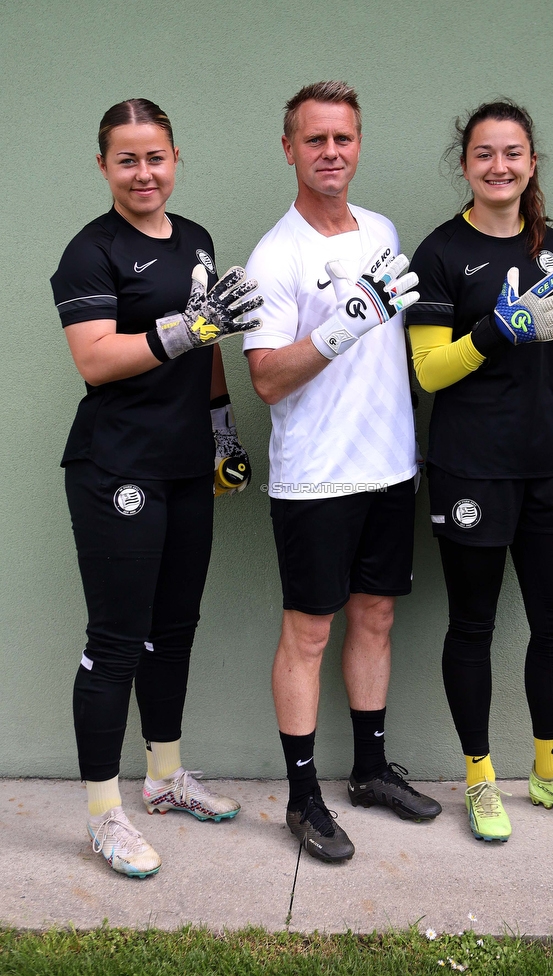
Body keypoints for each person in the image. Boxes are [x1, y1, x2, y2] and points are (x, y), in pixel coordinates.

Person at [50, 98, 263, 878]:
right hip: (117, 469)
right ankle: (104, 814)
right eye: (128, 159)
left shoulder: (198, 239)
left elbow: (208, 351)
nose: (145, 173)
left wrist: (222, 432)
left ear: (176, 159)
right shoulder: (90, 253)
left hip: (183, 466)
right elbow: (96, 359)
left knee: (173, 627)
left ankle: (165, 776)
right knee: (115, 641)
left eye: (157, 157)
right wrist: (185, 328)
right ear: (104, 165)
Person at [406, 99, 553, 843]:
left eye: (513, 153)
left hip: (551, 469)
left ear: (531, 162)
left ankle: (551, 773)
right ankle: (479, 781)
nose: (499, 166)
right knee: (472, 624)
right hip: (472, 468)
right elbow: (430, 371)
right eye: (484, 154)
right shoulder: (438, 253)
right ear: (465, 164)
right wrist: (497, 331)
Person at [244, 81, 442, 864]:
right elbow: (265, 379)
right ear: (289, 148)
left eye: (344, 139)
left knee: (378, 618)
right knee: (309, 632)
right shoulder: (275, 255)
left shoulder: (383, 230)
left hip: (390, 466)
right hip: (317, 478)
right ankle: (302, 798)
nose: (331, 152)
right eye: (315, 139)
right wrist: (342, 325)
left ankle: (368, 772)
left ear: (359, 145)